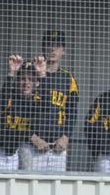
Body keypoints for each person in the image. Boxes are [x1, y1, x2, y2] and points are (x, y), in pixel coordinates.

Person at [18, 30, 79, 172]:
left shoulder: (69, 79)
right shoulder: (30, 73)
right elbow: (17, 107)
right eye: (49, 44)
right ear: (43, 48)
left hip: (57, 148)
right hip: (31, 147)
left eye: (57, 45)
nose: (52, 48)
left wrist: (66, 136)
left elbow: (72, 112)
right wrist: (32, 137)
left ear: (64, 51)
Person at [0, 58, 45, 171]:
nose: (26, 83)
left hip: (13, 156)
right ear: (16, 81)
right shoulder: (6, 94)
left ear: (36, 83)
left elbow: (48, 106)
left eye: (31, 79)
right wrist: (11, 73)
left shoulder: (35, 102)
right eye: (23, 79)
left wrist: (42, 74)